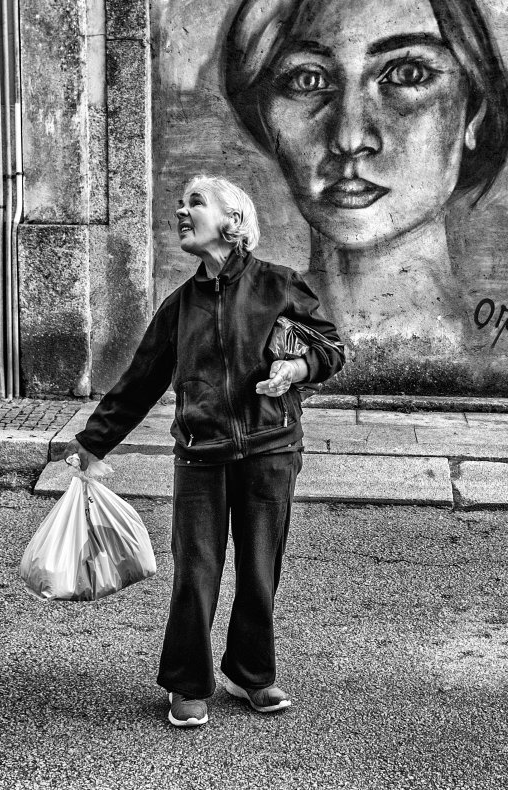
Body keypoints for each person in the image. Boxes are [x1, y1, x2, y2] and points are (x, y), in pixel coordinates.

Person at [61, 174, 346, 728]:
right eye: (181, 202)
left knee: (260, 569)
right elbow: (140, 380)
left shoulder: (280, 286)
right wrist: (93, 443)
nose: (180, 210)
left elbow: (331, 349)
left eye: (195, 202)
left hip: (271, 449)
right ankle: (189, 681)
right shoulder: (180, 306)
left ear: (232, 222)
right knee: (196, 571)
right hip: (199, 454)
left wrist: (297, 367)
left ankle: (250, 672)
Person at [223, 0, 508, 345]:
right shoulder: (236, 341)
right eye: (308, 80)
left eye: (407, 73)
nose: (350, 139)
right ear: (263, 116)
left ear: (475, 112)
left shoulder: (500, 350)